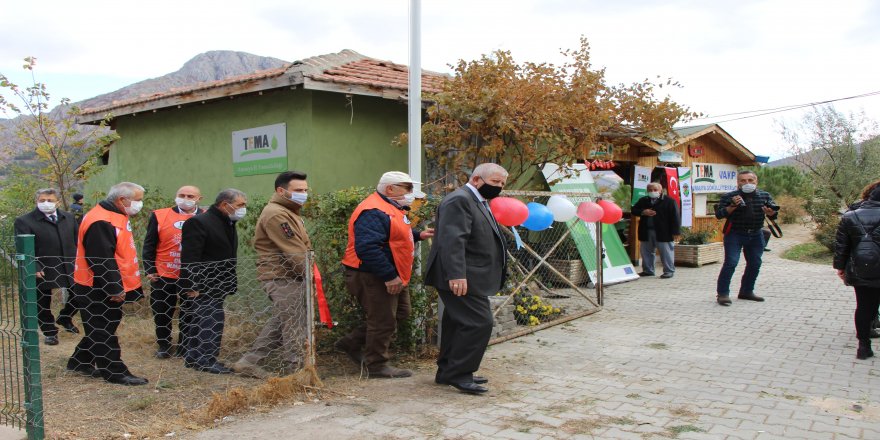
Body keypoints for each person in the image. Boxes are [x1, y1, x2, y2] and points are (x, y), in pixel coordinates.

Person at [336, 171, 434, 378]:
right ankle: (377, 365)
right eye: (407, 188)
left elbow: (392, 235)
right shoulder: (372, 210)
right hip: (374, 274)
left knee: (399, 314)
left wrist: (418, 235)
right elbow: (368, 248)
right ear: (390, 189)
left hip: (387, 272)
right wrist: (389, 277)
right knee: (383, 321)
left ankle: (350, 343)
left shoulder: (390, 207)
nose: (411, 193)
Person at [425, 163, 508, 395]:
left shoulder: (476, 200)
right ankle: (460, 374)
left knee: (456, 323)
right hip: (461, 276)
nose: (499, 187)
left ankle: (446, 371)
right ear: (476, 180)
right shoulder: (459, 200)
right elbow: (453, 240)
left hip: (470, 275)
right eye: (495, 182)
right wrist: (456, 274)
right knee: (479, 322)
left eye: (502, 184)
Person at [66, 182, 148, 386]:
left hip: (107, 283)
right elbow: (101, 259)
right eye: (137, 200)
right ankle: (115, 372)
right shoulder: (101, 220)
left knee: (103, 326)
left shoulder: (115, 215)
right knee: (102, 329)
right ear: (122, 200)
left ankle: (79, 361)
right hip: (97, 286)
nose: (140, 204)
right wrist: (114, 288)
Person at [233, 172, 312, 379]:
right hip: (282, 276)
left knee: (281, 321)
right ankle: (297, 371)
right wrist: (312, 275)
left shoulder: (289, 211)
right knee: (294, 324)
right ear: (281, 191)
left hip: (289, 276)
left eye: (305, 190)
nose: (303, 194)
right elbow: (294, 250)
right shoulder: (277, 214)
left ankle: (248, 363)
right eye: (298, 191)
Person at [179, 189, 247, 374]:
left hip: (220, 282)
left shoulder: (227, 222)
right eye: (240, 205)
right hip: (204, 283)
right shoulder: (199, 222)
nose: (243, 209)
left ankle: (193, 357)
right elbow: (190, 257)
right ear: (225, 204)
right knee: (211, 321)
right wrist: (191, 284)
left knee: (202, 320)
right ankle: (206, 359)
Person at [142, 186, 204, 359]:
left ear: (199, 198)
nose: (185, 198)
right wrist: (150, 269)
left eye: (190, 196)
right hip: (163, 273)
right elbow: (149, 244)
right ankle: (164, 344)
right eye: (181, 195)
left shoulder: (205, 216)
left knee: (190, 312)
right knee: (162, 311)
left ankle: (185, 346)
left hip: (192, 275)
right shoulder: (160, 215)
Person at [14, 188, 81, 345]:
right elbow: (22, 246)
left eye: (50, 200)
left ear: (58, 202)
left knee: (80, 294)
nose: (46, 203)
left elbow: (77, 241)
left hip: (69, 263)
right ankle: (49, 331)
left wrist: (81, 262)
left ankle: (65, 317)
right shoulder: (24, 221)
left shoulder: (69, 218)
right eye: (42, 200)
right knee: (42, 301)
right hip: (43, 266)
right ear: (36, 201)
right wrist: (34, 266)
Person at [714, 170, 779, 306]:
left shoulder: (764, 196)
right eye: (743, 181)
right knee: (731, 263)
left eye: (750, 180)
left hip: (756, 234)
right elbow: (719, 214)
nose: (747, 183)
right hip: (735, 234)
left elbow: (773, 215)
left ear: (756, 182)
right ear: (738, 183)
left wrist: (771, 213)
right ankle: (723, 294)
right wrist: (732, 206)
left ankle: (746, 291)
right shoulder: (729, 196)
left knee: (755, 263)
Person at [834, 180, 880, 359]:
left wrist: (840, 267)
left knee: (864, 307)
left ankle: (863, 347)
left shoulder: (850, 216)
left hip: (862, 267)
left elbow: (841, 246)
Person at [632, 182, 680, 279]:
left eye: (655, 190)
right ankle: (648, 271)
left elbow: (675, 217)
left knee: (666, 252)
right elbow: (633, 210)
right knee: (646, 252)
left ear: (660, 191)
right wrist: (643, 212)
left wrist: (676, 232)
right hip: (646, 231)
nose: (652, 192)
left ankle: (669, 271)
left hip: (664, 232)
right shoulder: (643, 200)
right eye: (650, 190)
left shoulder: (669, 201)